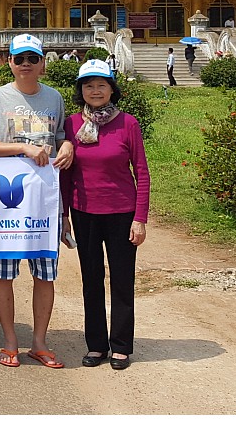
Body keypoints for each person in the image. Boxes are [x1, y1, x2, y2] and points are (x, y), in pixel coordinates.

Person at [0, 32, 67, 370]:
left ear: (42, 63)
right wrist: (22, 147)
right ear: (9, 62)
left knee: (45, 274)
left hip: (43, 202)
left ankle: (39, 342)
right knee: (4, 274)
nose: (26, 64)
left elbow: (59, 139)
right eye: (19, 59)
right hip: (6, 200)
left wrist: (67, 145)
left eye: (32, 58)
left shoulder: (54, 97)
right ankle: (10, 340)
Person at [56, 59, 149, 371]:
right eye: (88, 85)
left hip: (122, 212)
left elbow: (142, 173)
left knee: (122, 281)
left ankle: (121, 346)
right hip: (84, 212)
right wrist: (64, 214)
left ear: (112, 89)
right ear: (81, 90)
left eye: (101, 84)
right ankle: (96, 345)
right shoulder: (71, 125)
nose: (95, 91)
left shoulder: (128, 124)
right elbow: (66, 176)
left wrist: (140, 218)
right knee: (91, 280)